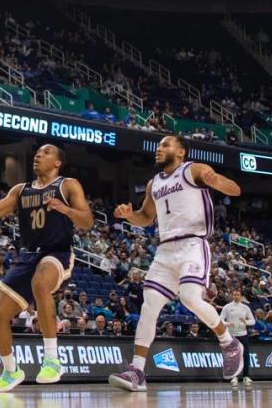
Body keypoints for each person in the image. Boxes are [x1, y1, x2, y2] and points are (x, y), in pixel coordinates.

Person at [110, 135, 244, 392]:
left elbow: (234, 190)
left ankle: (228, 342)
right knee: (149, 305)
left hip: (193, 244)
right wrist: (130, 216)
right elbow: (146, 218)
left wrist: (216, 180)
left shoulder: (192, 170)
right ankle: (137, 371)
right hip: (165, 249)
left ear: (181, 152)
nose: (159, 149)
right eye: (159, 146)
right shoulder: (154, 183)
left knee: (190, 297)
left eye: (165, 145)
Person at [0, 144, 92, 393]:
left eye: (46, 152)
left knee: (41, 283)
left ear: (57, 163)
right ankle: (11, 371)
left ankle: (52, 359)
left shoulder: (68, 185)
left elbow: (87, 221)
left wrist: (66, 209)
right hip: (29, 256)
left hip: (57, 252)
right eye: (37, 152)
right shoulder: (21, 190)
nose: (39, 155)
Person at [220, 288, 255, 388]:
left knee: (246, 355)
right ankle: (234, 377)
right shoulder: (227, 307)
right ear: (232, 295)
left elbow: (253, 321)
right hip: (232, 336)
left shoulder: (245, 308)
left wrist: (246, 322)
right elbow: (221, 320)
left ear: (241, 296)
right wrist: (227, 324)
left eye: (238, 294)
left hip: (243, 334)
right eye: (234, 294)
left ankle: (246, 376)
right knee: (233, 357)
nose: (236, 296)